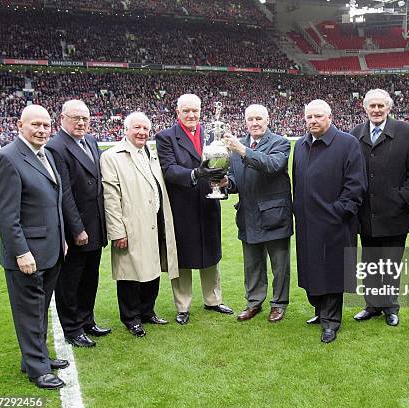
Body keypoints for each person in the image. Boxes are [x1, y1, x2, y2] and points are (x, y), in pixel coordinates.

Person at [0, 105, 68, 389]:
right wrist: (21, 252)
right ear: (20, 125)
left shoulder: (44, 154)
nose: (41, 130)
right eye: (35, 124)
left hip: (50, 251)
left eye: (46, 125)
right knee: (29, 311)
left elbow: (51, 203)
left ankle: (36, 357)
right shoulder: (8, 158)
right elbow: (6, 215)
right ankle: (37, 369)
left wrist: (62, 241)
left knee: (39, 308)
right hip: (27, 255)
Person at [155, 94, 233, 325]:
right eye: (186, 111)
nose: (191, 115)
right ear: (177, 112)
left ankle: (213, 300)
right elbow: (168, 170)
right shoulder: (166, 137)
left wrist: (222, 181)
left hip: (208, 202)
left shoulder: (211, 136)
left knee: (211, 253)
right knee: (182, 257)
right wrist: (194, 173)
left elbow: (225, 164)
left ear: (201, 112)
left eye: (195, 111)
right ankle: (183, 306)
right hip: (182, 205)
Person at [293, 99, 367, 343]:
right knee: (312, 269)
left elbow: (355, 186)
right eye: (309, 117)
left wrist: (338, 212)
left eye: (318, 117)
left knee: (333, 272)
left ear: (330, 117)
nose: (313, 121)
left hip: (335, 223)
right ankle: (319, 311)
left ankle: (331, 321)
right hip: (306, 223)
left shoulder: (347, 143)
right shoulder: (302, 145)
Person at [100, 112, 179, 337]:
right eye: (137, 128)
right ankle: (131, 318)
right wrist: (117, 231)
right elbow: (111, 197)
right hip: (131, 224)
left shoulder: (150, 153)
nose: (142, 132)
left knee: (152, 270)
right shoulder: (112, 156)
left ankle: (147, 311)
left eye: (145, 128)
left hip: (154, 221)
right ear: (126, 130)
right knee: (130, 274)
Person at [349, 88, 409, 327]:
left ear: (389, 107)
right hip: (365, 214)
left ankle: (391, 306)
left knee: (390, 265)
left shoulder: (408, 132)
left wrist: (401, 199)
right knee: (369, 264)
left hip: (394, 214)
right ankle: (372, 305)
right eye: (372, 106)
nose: (377, 110)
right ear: (365, 107)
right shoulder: (355, 133)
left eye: (381, 106)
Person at [46, 99, 110, 348]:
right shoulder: (56, 147)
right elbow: (65, 194)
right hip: (78, 229)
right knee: (70, 282)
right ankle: (72, 328)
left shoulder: (91, 141)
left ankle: (87, 320)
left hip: (96, 225)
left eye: (85, 118)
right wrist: (77, 229)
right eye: (75, 118)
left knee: (90, 278)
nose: (81, 122)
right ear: (62, 118)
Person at [224, 104, 292, 322]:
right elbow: (235, 179)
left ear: (268, 120)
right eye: (250, 119)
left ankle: (279, 304)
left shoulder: (279, 143)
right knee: (252, 265)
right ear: (245, 122)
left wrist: (243, 150)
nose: (254, 123)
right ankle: (254, 303)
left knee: (279, 266)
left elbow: (272, 165)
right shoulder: (239, 145)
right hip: (248, 215)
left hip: (274, 216)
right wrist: (225, 182)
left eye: (258, 119)